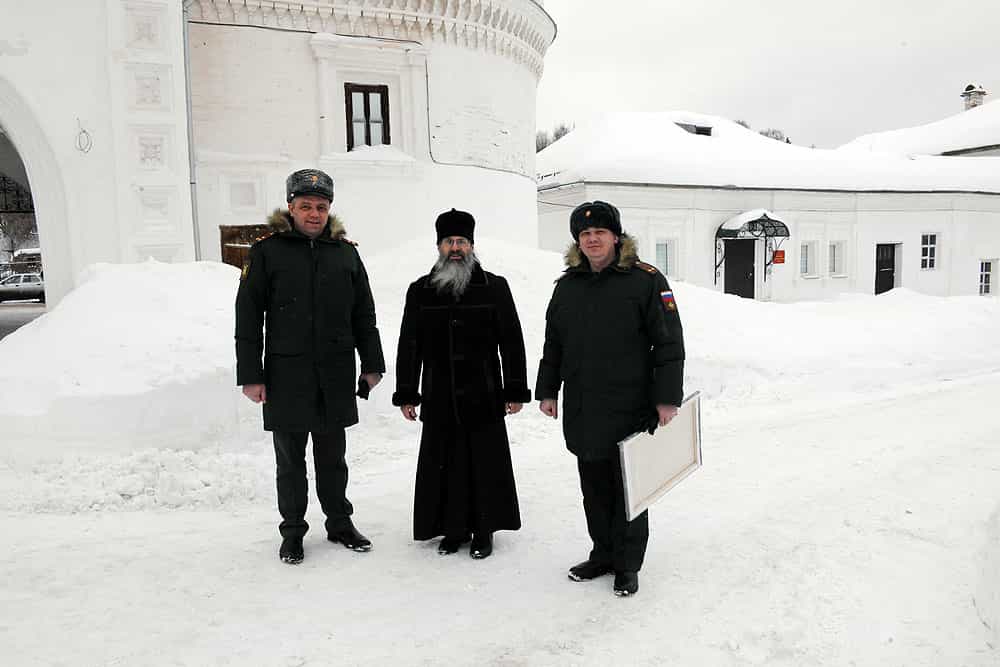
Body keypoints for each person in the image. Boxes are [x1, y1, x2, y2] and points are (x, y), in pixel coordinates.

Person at [235, 168, 386, 565]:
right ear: (291, 207)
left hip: (335, 373)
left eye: (321, 206)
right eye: (305, 206)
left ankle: (339, 523)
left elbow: (363, 314)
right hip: (286, 375)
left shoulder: (346, 254)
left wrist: (371, 364)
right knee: (290, 461)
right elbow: (247, 317)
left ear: (329, 209)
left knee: (333, 457)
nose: (314, 213)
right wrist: (251, 375)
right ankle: (293, 532)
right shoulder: (267, 252)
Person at [535, 200, 685, 596]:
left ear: (615, 236)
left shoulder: (646, 281)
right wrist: (548, 390)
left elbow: (668, 345)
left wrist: (666, 398)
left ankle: (628, 564)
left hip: (630, 407)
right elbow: (554, 344)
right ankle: (602, 553)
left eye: (600, 232)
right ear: (578, 242)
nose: (592, 239)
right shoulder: (568, 287)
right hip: (584, 407)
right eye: (585, 234)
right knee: (594, 488)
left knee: (629, 488)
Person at [393, 209, 530, 559]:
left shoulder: (494, 287)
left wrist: (514, 389)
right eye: (449, 242)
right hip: (439, 394)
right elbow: (409, 344)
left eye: (462, 242)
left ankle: (483, 530)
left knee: (482, 464)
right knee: (446, 463)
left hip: (484, 393)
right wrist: (408, 392)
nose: (456, 248)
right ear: (439, 246)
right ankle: (452, 530)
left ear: (472, 245)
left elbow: (511, 341)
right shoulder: (421, 291)